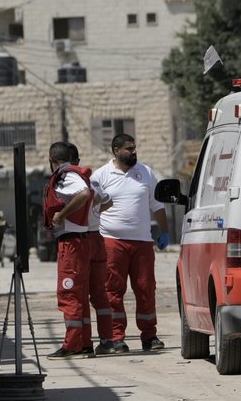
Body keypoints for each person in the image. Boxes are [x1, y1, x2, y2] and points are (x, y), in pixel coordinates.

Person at [91, 133, 169, 354]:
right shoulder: (101, 176)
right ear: (116, 150)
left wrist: (165, 231)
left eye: (135, 148)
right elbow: (92, 207)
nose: (134, 152)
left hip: (142, 242)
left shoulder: (145, 172)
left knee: (146, 289)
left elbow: (157, 205)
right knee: (112, 291)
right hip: (111, 241)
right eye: (129, 149)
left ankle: (150, 336)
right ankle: (116, 338)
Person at [43, 141, 95, 360]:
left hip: (72, 244)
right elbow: (99, 197)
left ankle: (72, 344)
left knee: (69, 294)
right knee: (79, 295)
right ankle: (83, 343)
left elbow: (84, 194)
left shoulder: (66, 174)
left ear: (51, 160)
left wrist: (61, 215)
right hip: (79, 241)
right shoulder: (75, 174)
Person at [66, 143, 114, 353]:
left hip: (82, 239)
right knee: (100, 294)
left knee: (81, 294)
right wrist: (94, 211)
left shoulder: (69, 180)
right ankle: (108, 341)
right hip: (97, 238)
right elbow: (108, 202)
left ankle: (85, 344)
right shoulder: (92, 179)